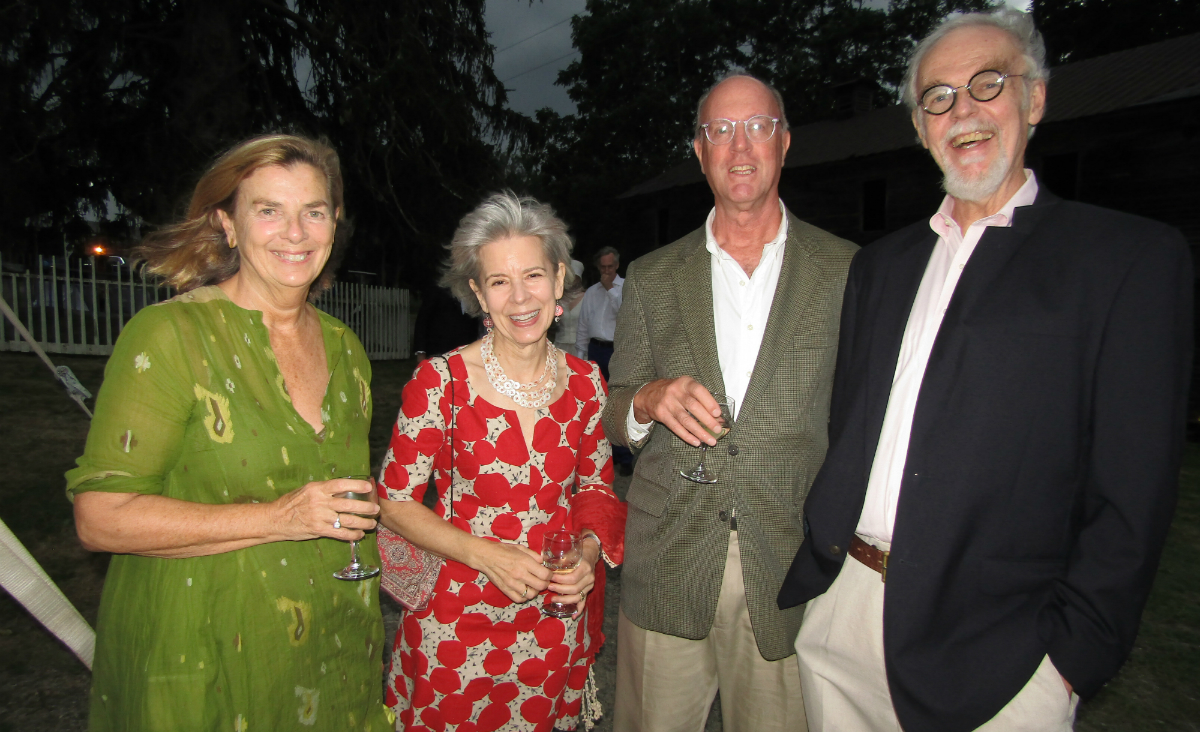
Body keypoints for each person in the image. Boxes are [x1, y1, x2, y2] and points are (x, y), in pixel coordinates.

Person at [778, 9, 1193, 732]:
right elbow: (853, 421)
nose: (962, 109)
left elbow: (1133, 494)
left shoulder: (1125, 261)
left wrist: (1069, 663)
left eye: (987, 84)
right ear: (918, 126)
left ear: (1035, 99)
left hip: (998, 651)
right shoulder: (881, 265)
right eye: (937, 96)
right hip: (842, 617)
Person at [67, 134, 391, 731]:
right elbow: (100, 516)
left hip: (332, 653)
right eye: (268, 210)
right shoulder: (170, 336)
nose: (295, 233)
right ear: (228, 225)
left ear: (333, 223)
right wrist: (278, 518)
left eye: (313, 212)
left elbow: (349, 498)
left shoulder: (347, 349)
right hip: (205, 650)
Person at [602, 74, 858, 732]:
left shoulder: (847, 270)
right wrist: (650, 399)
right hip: (669, 559)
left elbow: (863, 422)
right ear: (698, 150)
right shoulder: (653, 276)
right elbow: (613, 408)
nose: (739, 147)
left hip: (789, 563)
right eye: (720, 130)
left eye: (758, 127)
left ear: (785, 142)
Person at [377, 192, 626, 731]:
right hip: (455, 624)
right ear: (478, 295)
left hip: (553, 623)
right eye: (498, 282)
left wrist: (584, 558)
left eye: (533, 275)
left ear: (560, 281)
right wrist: (484, 554)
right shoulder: (439, 383)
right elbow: (394, 504)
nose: (520, 298)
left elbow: (598, 494)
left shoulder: (586, 385)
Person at [574, 247, 623, 377]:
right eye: (603, 267)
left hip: (616, 349)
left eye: (610, 267)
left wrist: (610, 289)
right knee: (593, 390)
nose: (606, 271)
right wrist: (580, 355)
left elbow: (624, 314)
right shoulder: (591, 292)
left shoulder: (625, 287)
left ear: (617, 265)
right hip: (594, 349)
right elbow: (583, 324)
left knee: (614, 390)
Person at [553, 260, 587, 358]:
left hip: (579, 348)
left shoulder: (587, 298)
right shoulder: (559, 298)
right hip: (560, 345)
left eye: (574, 278)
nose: (572, 281)